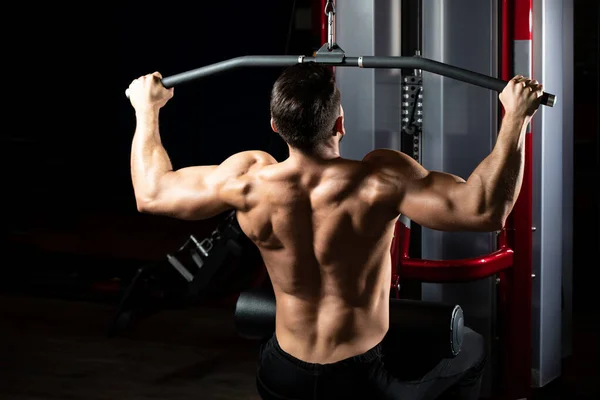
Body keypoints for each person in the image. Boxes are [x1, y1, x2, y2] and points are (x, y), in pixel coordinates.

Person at [127, 64, 544, 400]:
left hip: (281, 373)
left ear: (274, 125)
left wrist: (147, 111)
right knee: (471, 349)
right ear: (340, 123)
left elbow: (151, 193)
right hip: (359, 380)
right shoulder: (381, 180)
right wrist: (515, 119)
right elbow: (485, 209)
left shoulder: (248, 181)